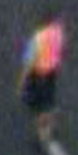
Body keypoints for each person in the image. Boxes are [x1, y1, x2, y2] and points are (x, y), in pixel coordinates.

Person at [18, 10, 66, 143]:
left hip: (38, 74)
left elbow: (28, 62)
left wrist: (22, 81)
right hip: (52, 72)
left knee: (38, 105)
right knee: (49, 98)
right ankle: (50, 123)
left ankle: (43, 133)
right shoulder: (58, 34)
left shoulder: (38, 38)